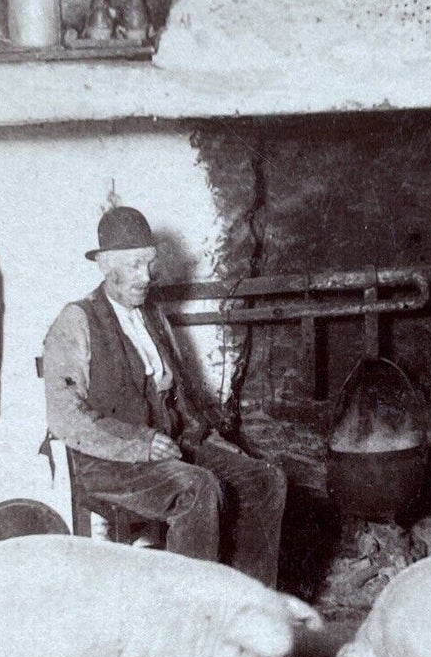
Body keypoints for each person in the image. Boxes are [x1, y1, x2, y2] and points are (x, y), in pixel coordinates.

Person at [41, 206, 287, 587]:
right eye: (136, 265)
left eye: (150, 264)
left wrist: (215, 441)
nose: (147, 277)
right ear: (107, 267)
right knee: (197, 488)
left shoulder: (154, 317)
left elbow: (183, 398)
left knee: (265, 479)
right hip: (107, 462)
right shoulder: (77, 321)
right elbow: (65, 416)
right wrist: (139, 444)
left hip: (170, 447)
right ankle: (191, 612)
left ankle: (246, 599)